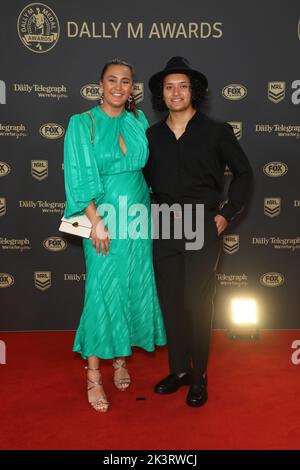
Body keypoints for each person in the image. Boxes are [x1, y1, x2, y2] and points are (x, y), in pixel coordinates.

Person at [144, 56, 253, 407]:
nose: (176, 92)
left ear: (195, 91)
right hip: (162, 222)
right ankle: (179, 370)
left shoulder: (216, 131)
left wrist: (227, 214)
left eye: (183, 86)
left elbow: (244, 173)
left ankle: (200, 374)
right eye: (169, 86)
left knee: (195, 301)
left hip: (200, 222)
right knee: (172, 303)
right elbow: (139, 181)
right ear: (162, 94)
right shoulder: (152, 136)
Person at [63, 59, 166, 412]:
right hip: (104, 217)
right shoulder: (83, 123)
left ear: (132, 87)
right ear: (100, 84)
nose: (119, 87)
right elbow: (79, 175)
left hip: (138, 218)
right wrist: (96, 221)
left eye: (126, 81)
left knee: (132, 287)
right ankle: (93, 375)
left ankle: (121, 359)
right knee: (102, 292)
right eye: (112, 80)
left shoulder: (137, 120)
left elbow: (146, 171)